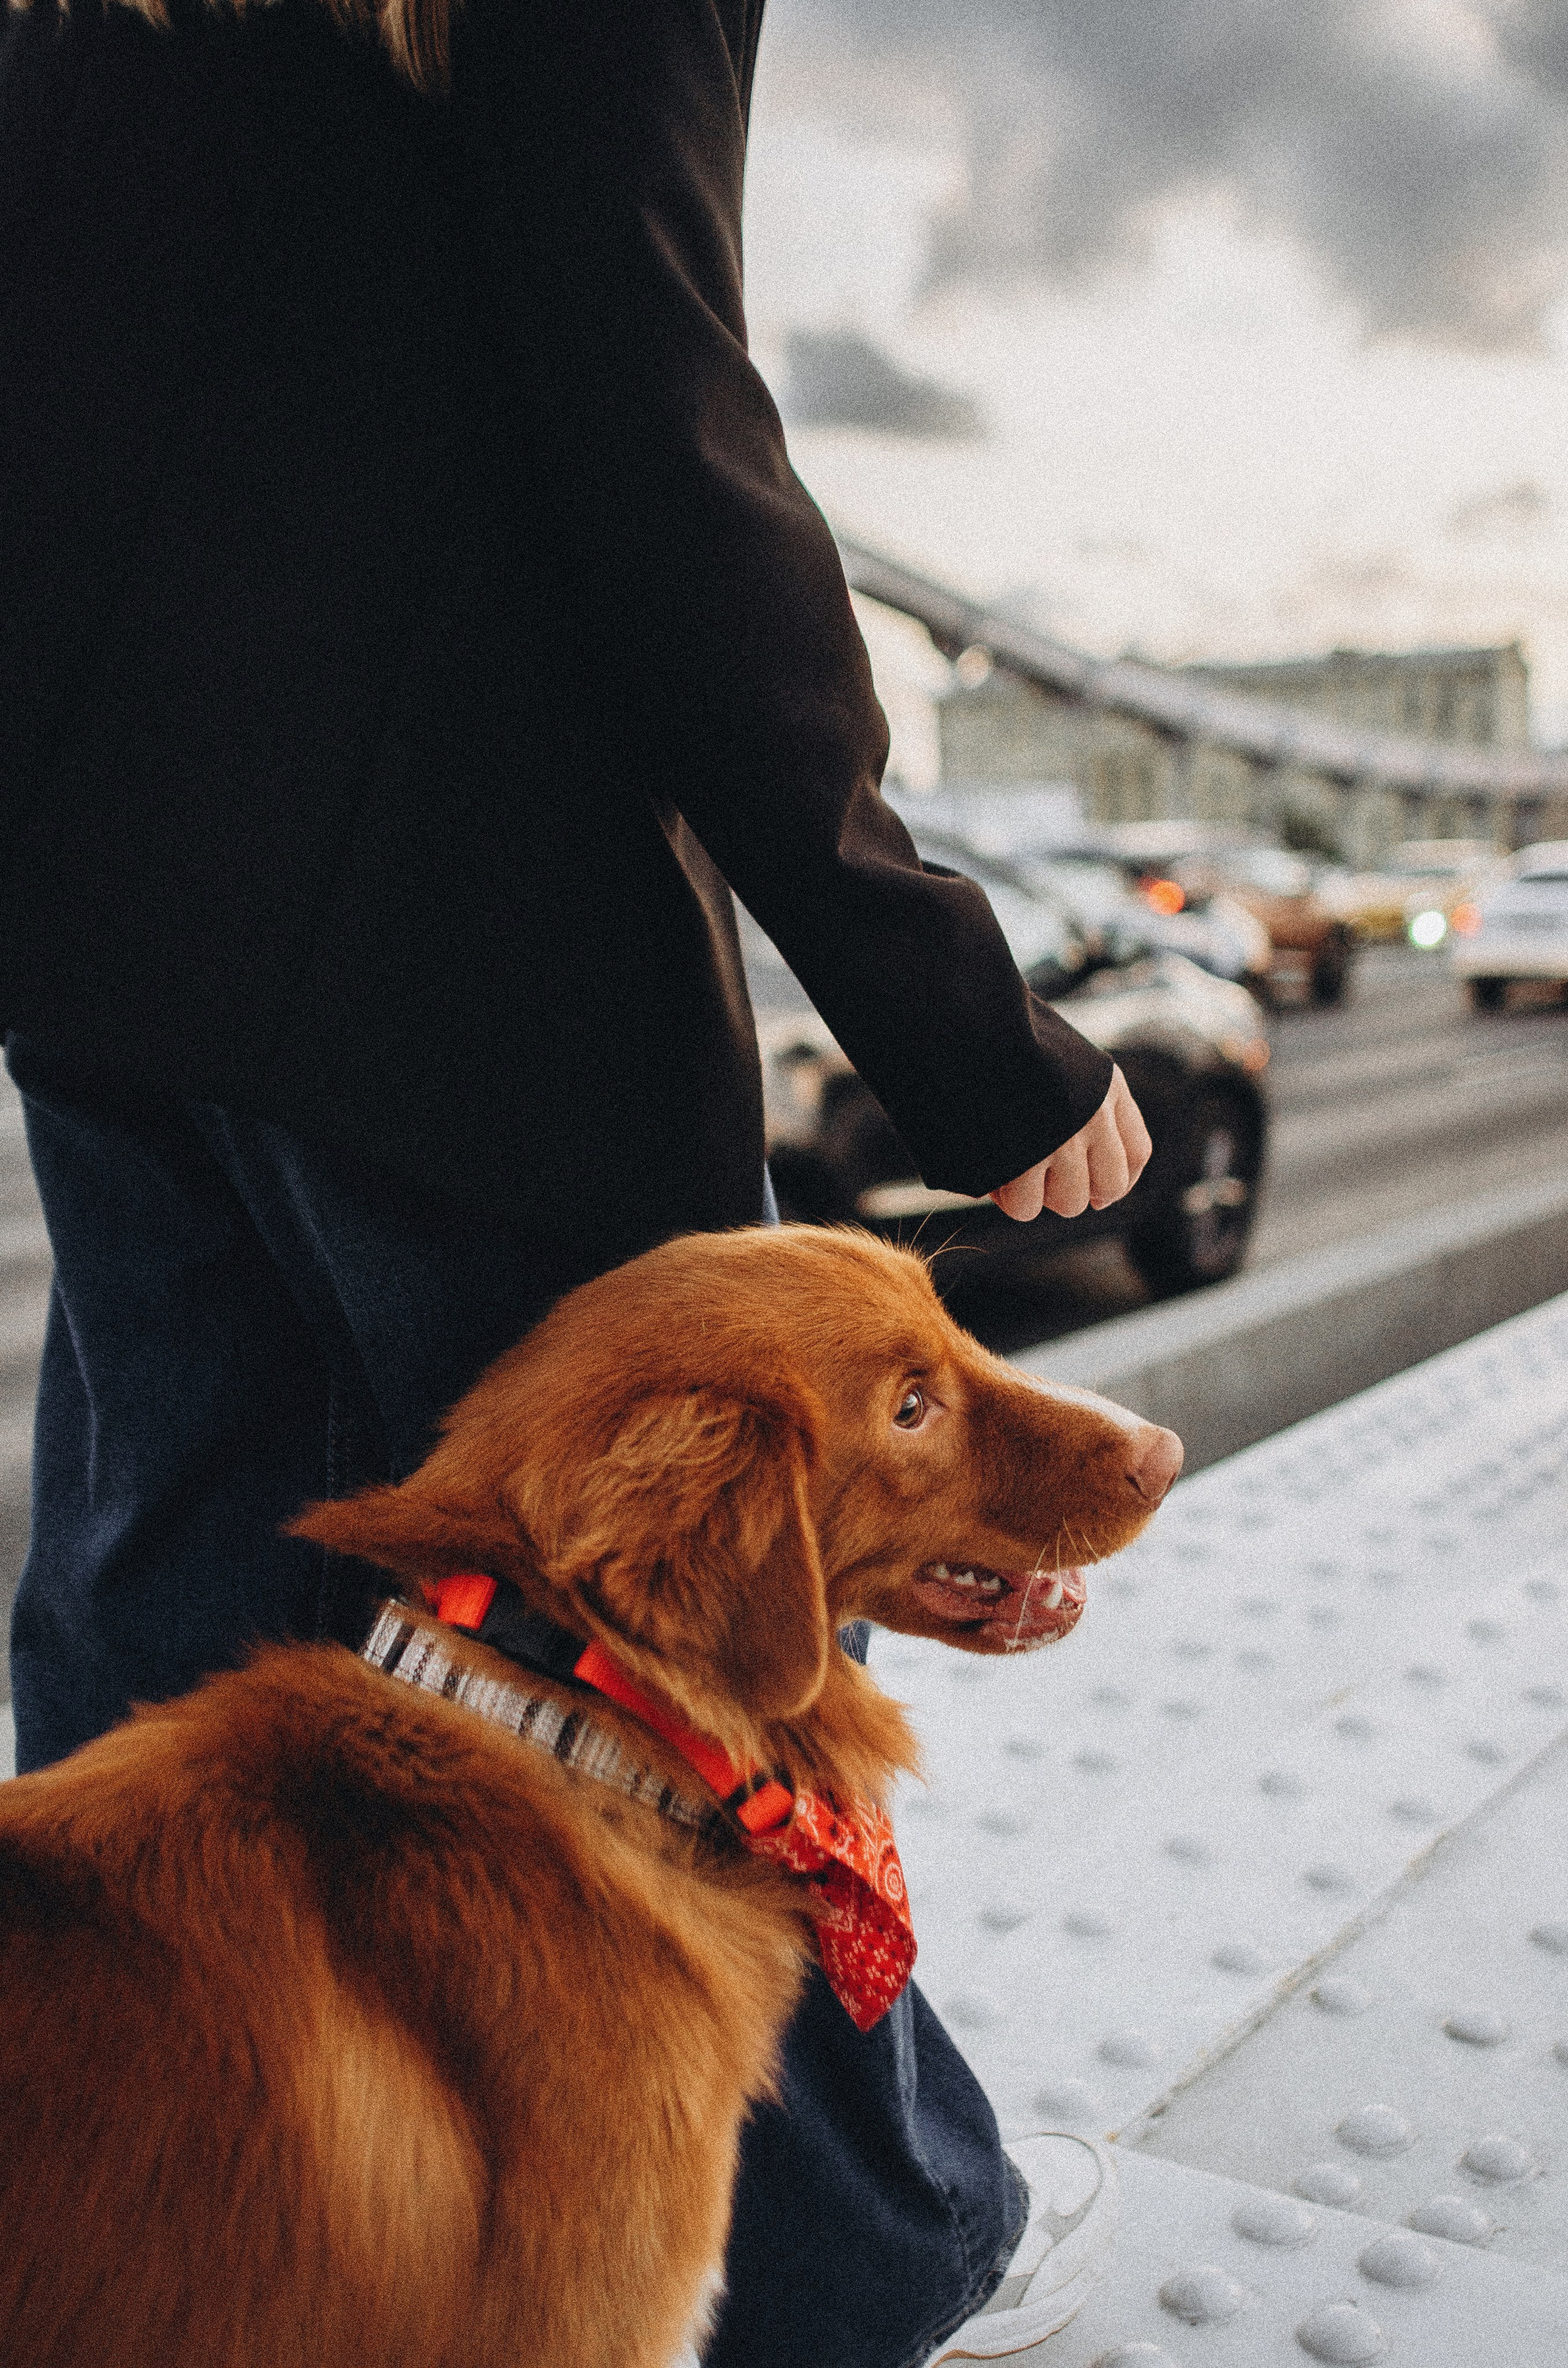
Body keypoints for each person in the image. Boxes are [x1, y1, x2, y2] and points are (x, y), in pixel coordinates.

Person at [0, 0, 1151, 2359]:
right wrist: (946, 1003)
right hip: (474, 939)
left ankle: (169, 2231)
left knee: (172, 1633)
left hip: (107, 918)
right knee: (653, 1656)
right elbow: (651, 415)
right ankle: (870, 2256)